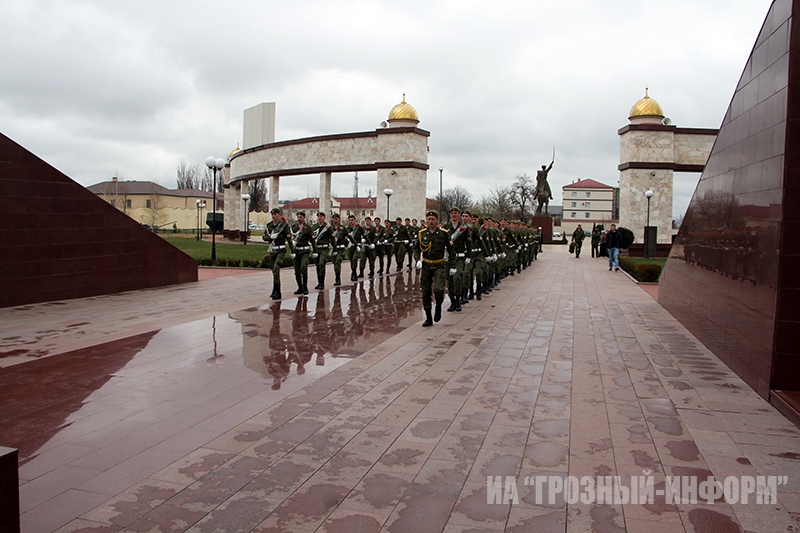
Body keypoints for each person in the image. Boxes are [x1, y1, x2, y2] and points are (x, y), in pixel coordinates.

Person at [419, 210, 454, 327]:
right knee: (425, 292)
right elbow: (416, 248)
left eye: (433, 219)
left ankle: (438, 305)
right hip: (426, 265)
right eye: (429, 219)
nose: (430, 222)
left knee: (439, 289)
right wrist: (417, 260)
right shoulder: (422, 233)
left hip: (439, 264)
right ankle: (428, 317)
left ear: (437, 220)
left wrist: (452, 265)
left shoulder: (443, 233)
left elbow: (451, 249)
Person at [263, 208, 294, 300]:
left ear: (279, 215)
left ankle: (278, 292)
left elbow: (289, 239)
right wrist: (269, 237)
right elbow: (264, 237)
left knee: (276, 268)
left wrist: (292, 250)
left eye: (275, 214)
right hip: (272, 251)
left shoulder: (284, 226)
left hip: (281, 250)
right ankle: (274, 290)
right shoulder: (269, 226)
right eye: (272, 214)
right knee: (273, 270)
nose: (273, 216)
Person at [291, 211, 316, 295]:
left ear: (304, 218)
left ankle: (305, 287)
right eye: (298, 217)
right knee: (297, 271)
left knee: (303, 268)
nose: (299, 218)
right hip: (296, 251)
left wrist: (315, 250)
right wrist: (292, 249)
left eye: (301, 217)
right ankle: (300, 287)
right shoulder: (294, 227)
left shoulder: (308, 228)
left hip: (304, 251)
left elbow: (312, 240)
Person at [312, 212, 331, 290]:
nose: (319, 218)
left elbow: (332, 237)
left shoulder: (327, 227)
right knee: (317, 266)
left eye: (321, 216)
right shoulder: (314, 227)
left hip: (324, 248)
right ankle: (319, 282)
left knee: (321, 264)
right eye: (318, 216)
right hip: (317, 248)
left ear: (324, 218)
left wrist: (334, 249)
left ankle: (322, 283)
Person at [329, 213, 347, 286]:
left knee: (337, 262)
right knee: (334, 262)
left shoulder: (343, 228)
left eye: (336, 219)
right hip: (334, 249)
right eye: (333, 219)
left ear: (339, 219)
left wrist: (354, 244)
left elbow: (349, 237)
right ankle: (337, 275)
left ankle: (338, 279)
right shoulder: (330, 228)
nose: (334, 220)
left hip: (341, 249)